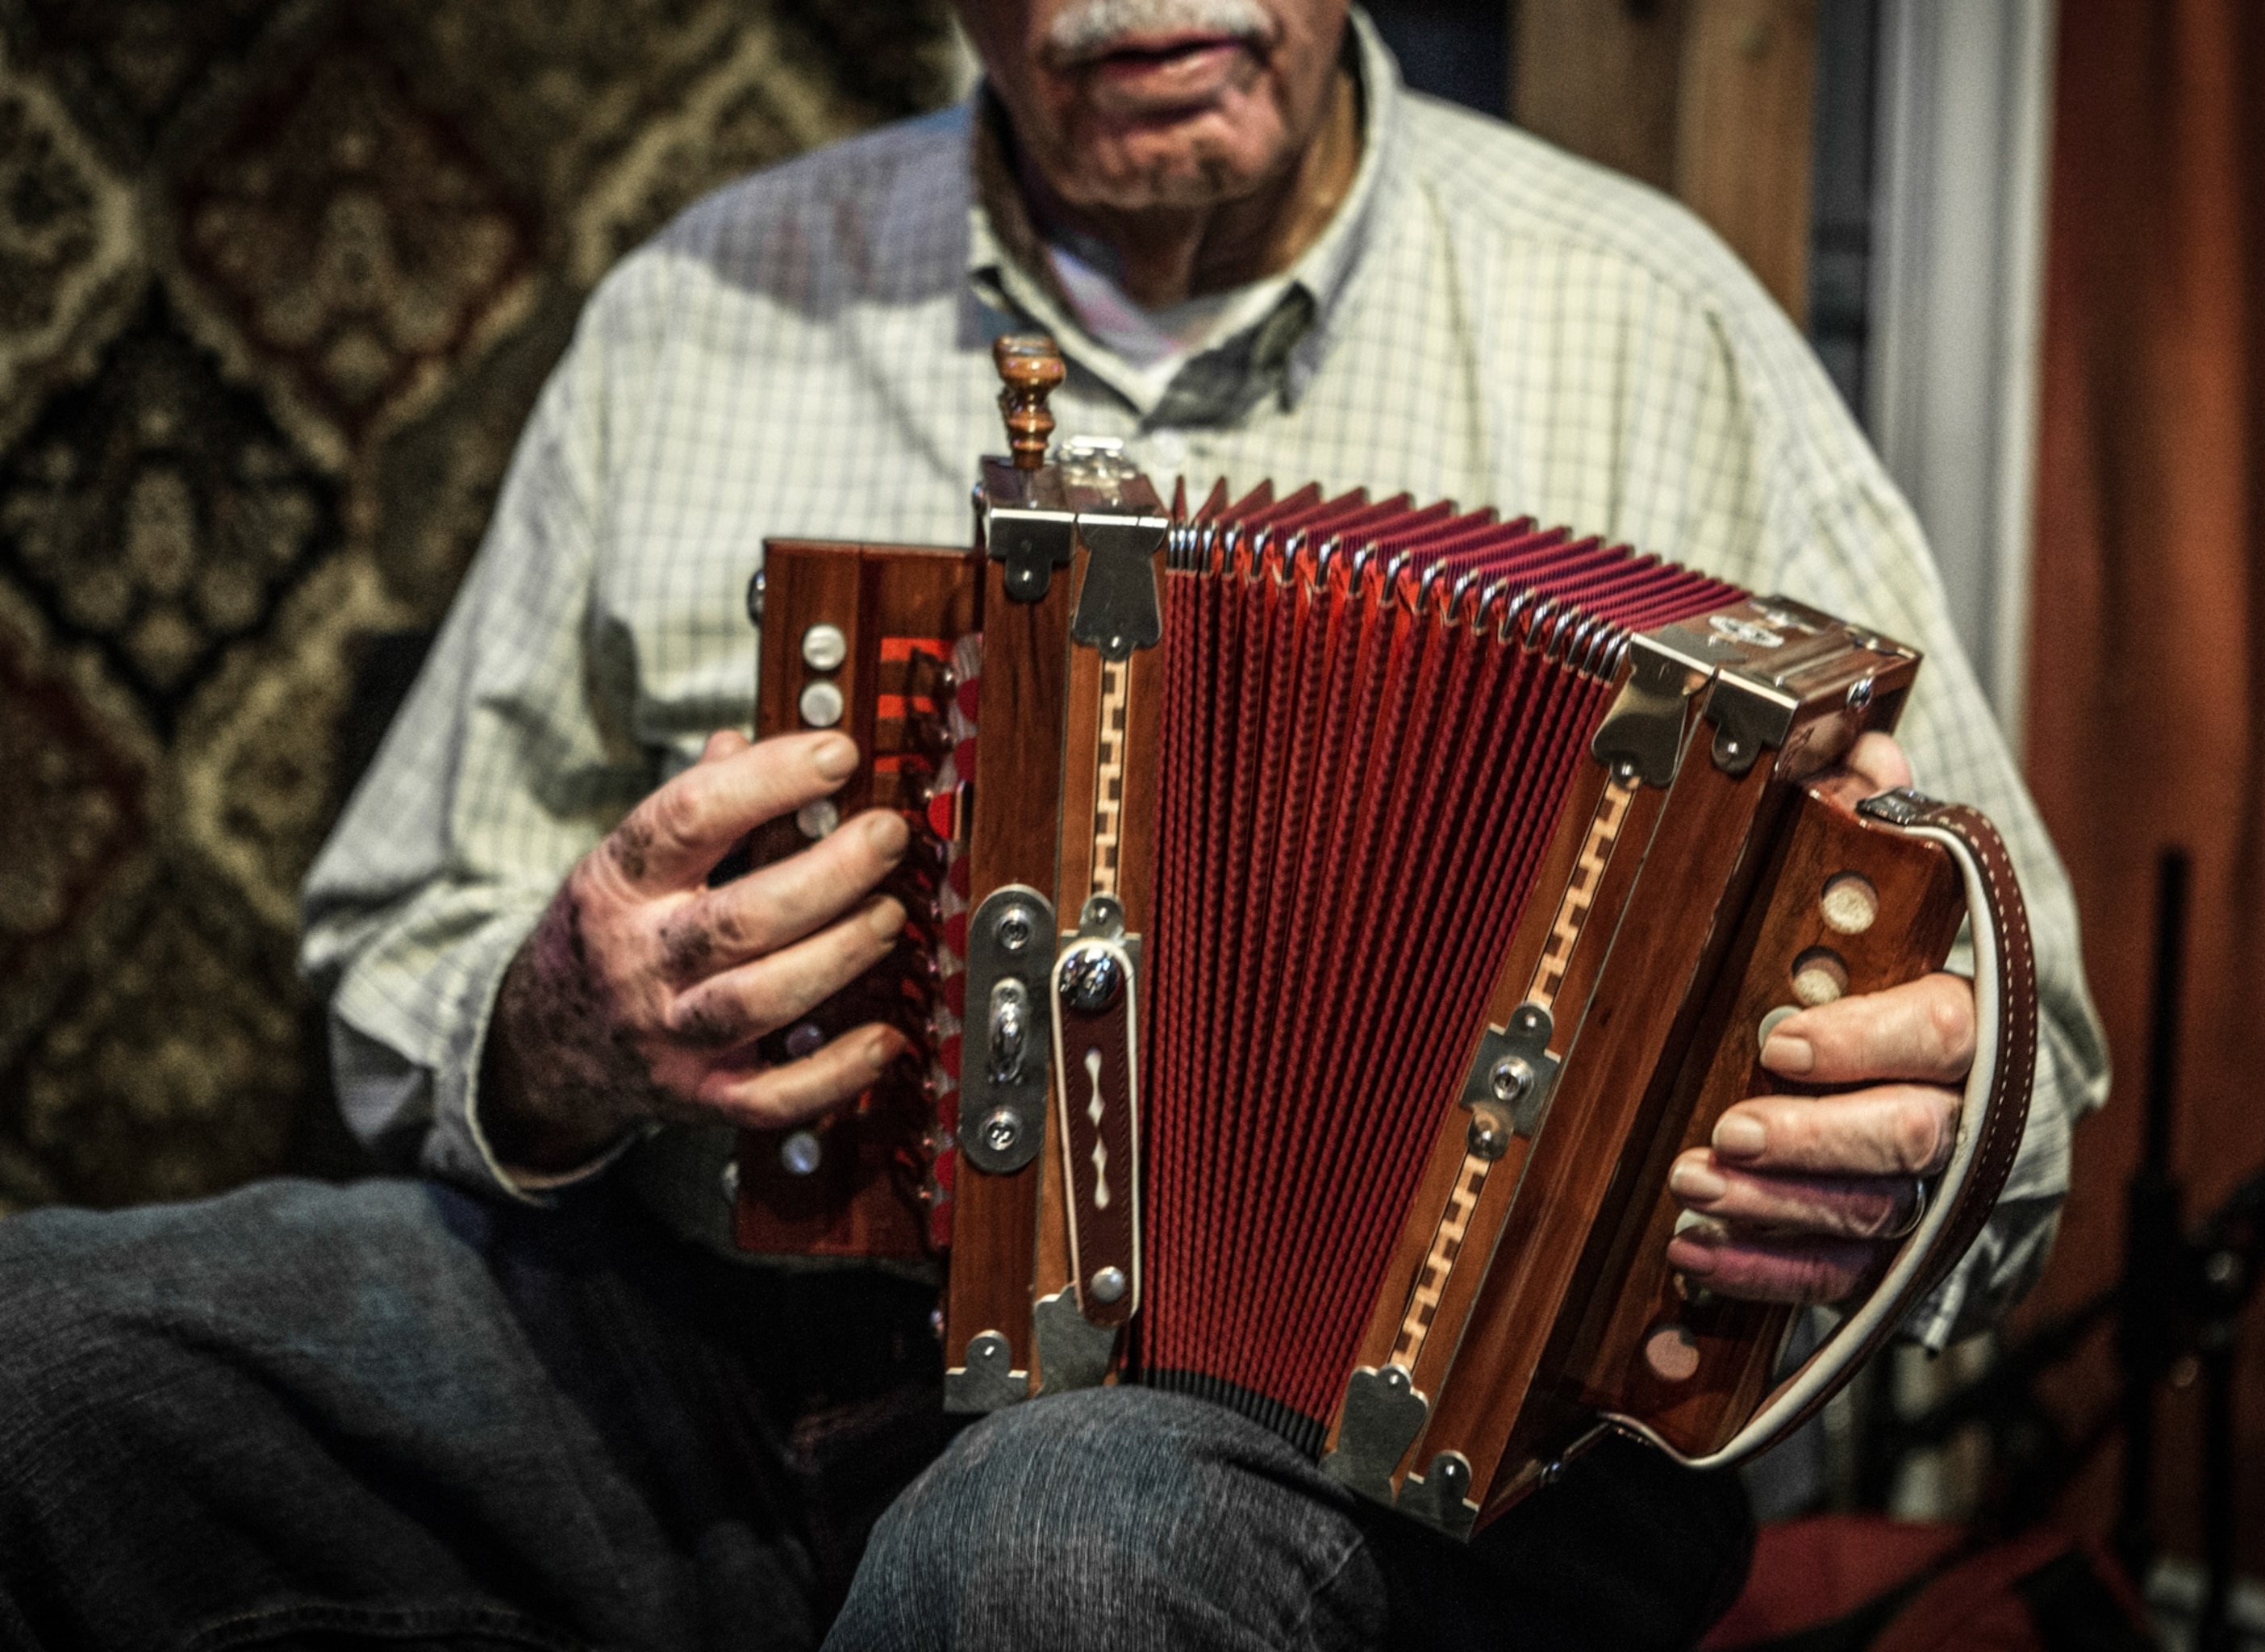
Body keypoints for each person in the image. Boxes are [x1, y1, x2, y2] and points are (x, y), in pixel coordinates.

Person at [0, 1, 2108, 1647]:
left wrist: (1905, 1138)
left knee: (1050, 1556)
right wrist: (563, 1015)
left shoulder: (1653, 317)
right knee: (50, 1355)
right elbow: (398, 926)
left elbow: (2025, 1032)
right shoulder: (707, 303)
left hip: (1404, 1426)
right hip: (727, 1340)